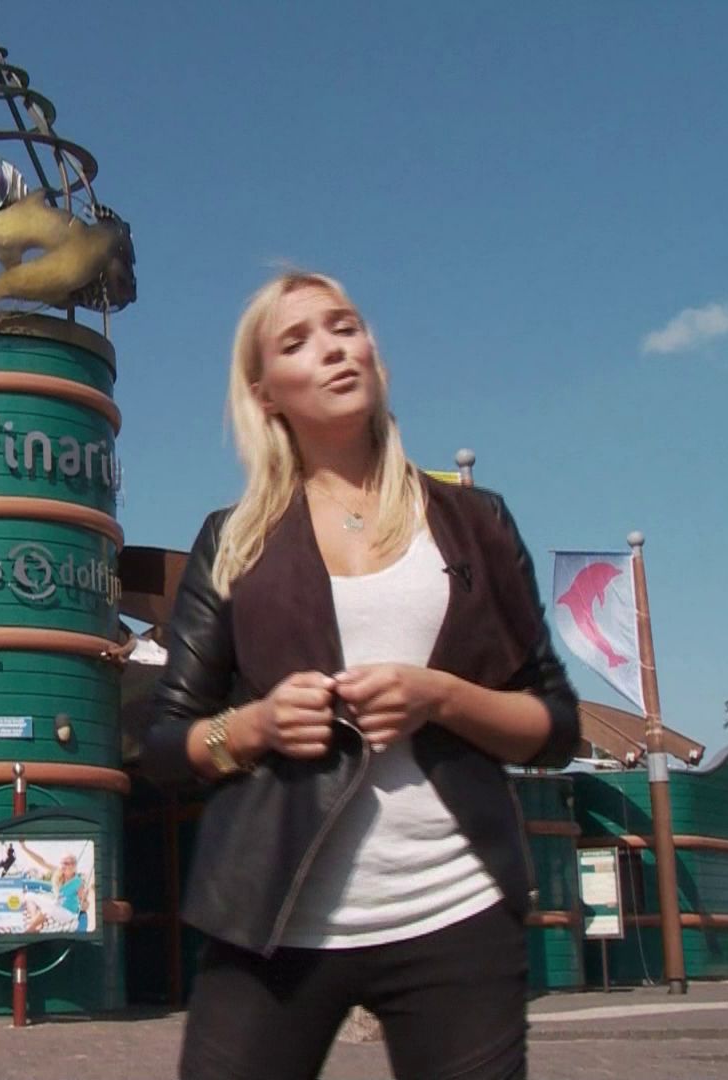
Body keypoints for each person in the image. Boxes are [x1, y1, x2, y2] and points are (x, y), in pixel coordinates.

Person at [141, 271, 580, 1079]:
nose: (334, 349)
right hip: (272, 921)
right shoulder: (233, 541)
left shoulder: (475, 522)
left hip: (458, 910)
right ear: (265, 393)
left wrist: (441, 697)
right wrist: (256, 725)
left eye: (345, 326)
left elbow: (555, 727)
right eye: (297, 341)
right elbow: (166, 748)